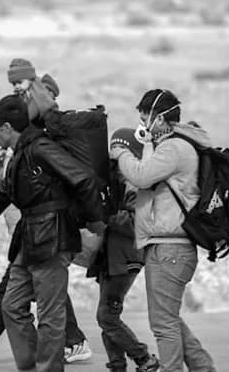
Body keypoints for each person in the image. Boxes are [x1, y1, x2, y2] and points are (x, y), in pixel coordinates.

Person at [0, 95, 105, 372]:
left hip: (52, 237)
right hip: (29, 239)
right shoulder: (21, 152)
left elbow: (83, 179)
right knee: (12, 306)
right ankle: (31, 366)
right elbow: (4, 190)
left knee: (50, 314)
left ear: (7, 127)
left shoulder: (41, 148)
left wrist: (93, 221)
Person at [108, 89, 216, 372]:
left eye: (146, 119)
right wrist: (147, 144)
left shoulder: (174, 149)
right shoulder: (172, 145)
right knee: (168, 319)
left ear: (160, 118)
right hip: (169, 246)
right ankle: (203, 368)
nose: (143, 125)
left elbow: (141, 176)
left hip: (170, 248)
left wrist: (120, 153)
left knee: (163, 325)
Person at [93, 128, 159, 372]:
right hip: (113, 258)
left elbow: (136, 222)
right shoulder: (115, 179)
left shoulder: (132, 182)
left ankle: (144, 359)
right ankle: (117, 364)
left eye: (118, 149)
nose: (113, 155)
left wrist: (106, 217)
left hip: (125, 258)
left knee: (106, 317)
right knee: (108, 316)